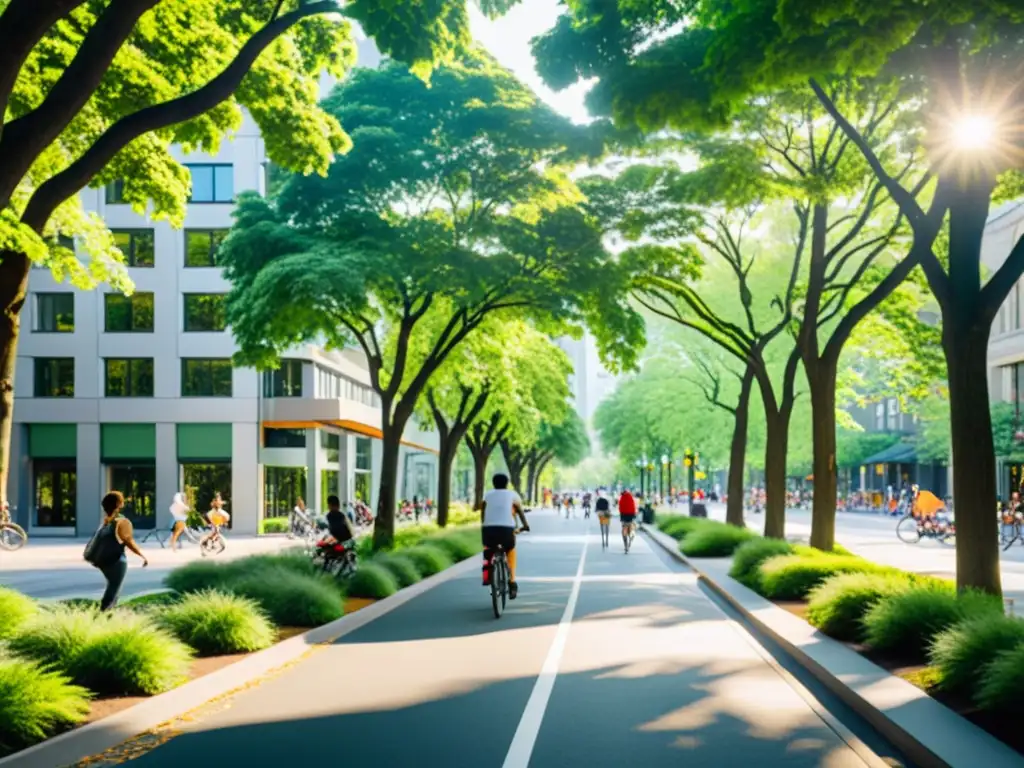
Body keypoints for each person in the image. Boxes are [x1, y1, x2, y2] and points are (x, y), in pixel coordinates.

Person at [91, 491, 148, 610]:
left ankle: (107, 612)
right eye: (121, 500)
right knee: (114, 588)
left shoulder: (106, 521)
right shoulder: (121, 521)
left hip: (103, 560)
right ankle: (105, 614)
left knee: (112, 586)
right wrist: (142, 555)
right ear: (119, 504)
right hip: (117, 560)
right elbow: (128, 541)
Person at [481, 473, 529, 599]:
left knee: (488, 549)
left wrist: (485, 524)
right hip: (507, 530)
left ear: (493, 483)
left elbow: (483, 511)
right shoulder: (512, 495)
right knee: (510, 550)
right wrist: (525, 525)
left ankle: (487, 575)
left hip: (488, 530)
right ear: (507, 483)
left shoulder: (487, 495)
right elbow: (519, 510)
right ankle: (512, 582)